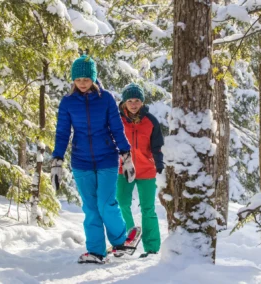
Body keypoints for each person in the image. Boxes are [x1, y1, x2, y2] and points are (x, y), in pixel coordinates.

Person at [50, 54, 136, 264]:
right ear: (73, 80)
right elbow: (63, 133)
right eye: (78, 80)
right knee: (90, 207)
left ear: (93, 78)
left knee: (106, 203)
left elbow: (116, 128)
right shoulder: (68, 102)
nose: (82, 84)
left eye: (86, 80)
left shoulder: (106, 98)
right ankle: (96, 251)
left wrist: (126, 155)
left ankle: (120, 242)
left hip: (106, 158)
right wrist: (57, 160)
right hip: (81, 162)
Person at [116, 83, 164, 258]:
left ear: (142, 102)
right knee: (121, 202)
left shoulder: (150, 121)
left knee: (148, 208)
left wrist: (158, 162)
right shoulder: (117, 119)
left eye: (137, 100)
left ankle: (151, 247)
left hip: (146, 169)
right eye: (130, 100)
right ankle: (128, 238)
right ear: (124, 102)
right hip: (123, 169)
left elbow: (157, 145)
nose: (134, 104)